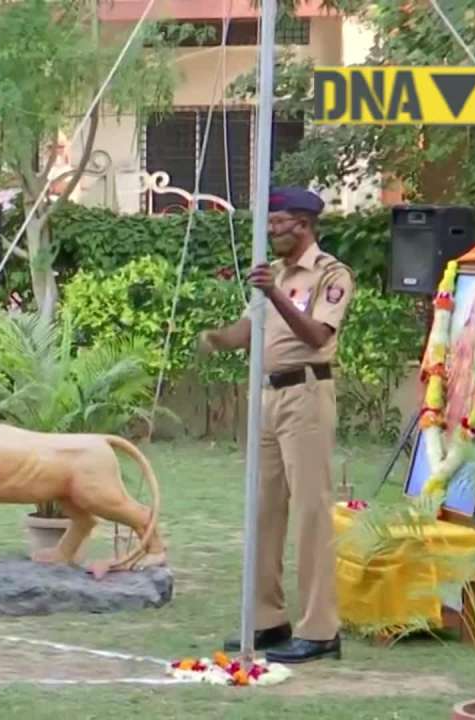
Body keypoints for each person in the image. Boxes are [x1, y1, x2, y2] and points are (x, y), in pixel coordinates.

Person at [197, 187, 354, 664]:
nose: (270, 232)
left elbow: (315, 335)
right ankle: (269, 620)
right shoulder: (277, 274)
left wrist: (272, 293)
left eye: (278, 224)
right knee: (263, 510)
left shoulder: (331, 274)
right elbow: (250, 331)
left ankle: (320, 629)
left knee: (310, 511)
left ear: (303, 224)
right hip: (265, 397)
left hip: (306, 394)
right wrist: (215, 339)